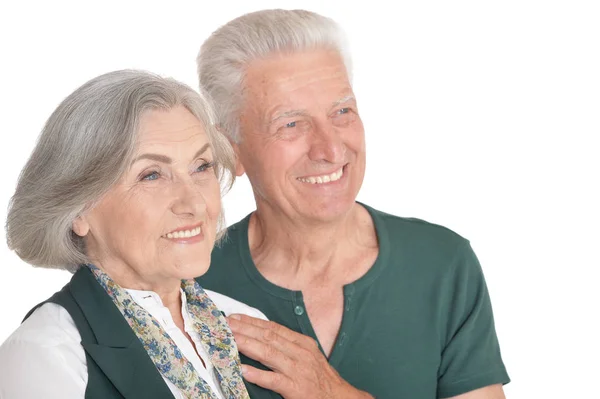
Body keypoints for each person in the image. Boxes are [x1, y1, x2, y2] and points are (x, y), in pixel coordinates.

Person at [196, 9, 510, 399]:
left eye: (342, 112)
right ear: (230, 150)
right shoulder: (190, 280)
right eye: (291, 124)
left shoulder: (442, 265)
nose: (331, 148)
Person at [0, 70, 269, 399]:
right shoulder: (45, 356)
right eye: (152, 175)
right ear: (79, 210)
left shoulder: (245, 323)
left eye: (202, 166)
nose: (195, 203)